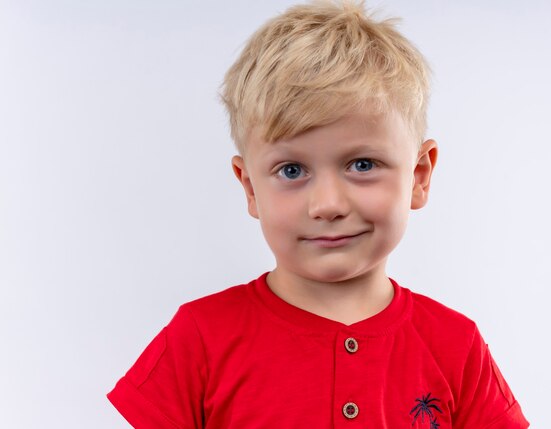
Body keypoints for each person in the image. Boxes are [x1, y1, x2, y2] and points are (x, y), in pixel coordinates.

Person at [107, 1, 529, 427]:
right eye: (292, 170)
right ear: (250, 188)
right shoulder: (198, 337)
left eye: (362, 165)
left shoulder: (456, 344)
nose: (328, 205)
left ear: (419, 175)